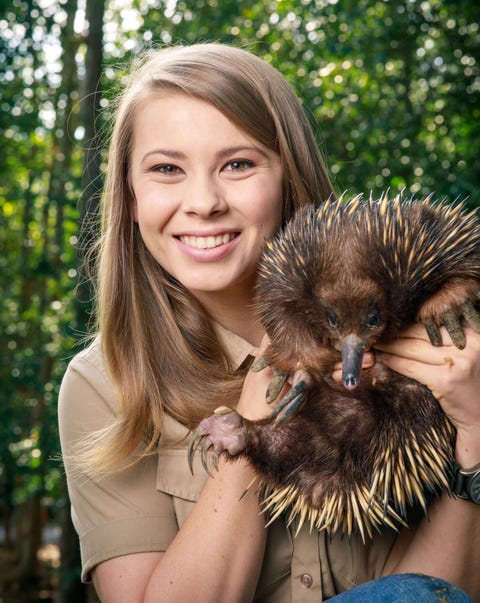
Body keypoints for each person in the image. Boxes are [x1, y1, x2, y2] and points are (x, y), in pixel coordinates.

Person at [58, 43, 480, 602]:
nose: (203, 202)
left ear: (288, 175)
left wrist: (475, 432)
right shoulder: (105, 387)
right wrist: (254, 424)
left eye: (238, 164)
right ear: (130, 198)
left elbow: (429, 594)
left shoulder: (432, 332)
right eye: (166, 169)